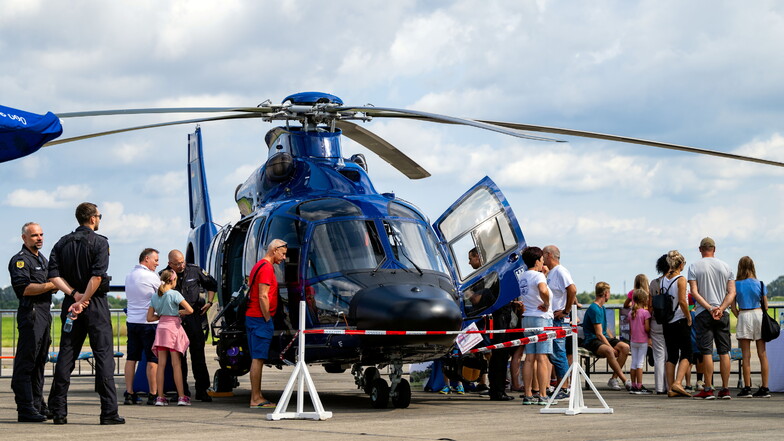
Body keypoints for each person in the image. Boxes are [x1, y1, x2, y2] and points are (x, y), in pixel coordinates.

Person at [47, 202, 124, 425]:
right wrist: (85, 299)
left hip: (71, 304)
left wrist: (74, 295)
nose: (100, 219)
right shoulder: (100, 243)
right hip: (95, 304)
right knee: (104, 356)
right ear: (92, 219)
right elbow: (97, 276)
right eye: (99, 216)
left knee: (66, 355)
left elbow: (54, 276)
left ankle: (58, 411)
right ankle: (108, 412)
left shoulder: (61, 243)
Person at [8, 222, 57, 422]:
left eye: (41, 234)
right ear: (24, 238)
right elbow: (25, 288)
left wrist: (51, 286)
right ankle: (25, 407)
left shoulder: (43, 259)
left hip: (45, 314)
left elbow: (49, 284)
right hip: (32, 313)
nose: (39, 238)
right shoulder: (20, 261)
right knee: (26, 362)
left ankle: (38, 404)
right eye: (35, 235)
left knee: (39, 362)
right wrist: (50, 285)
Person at [163, 249, 218, 401]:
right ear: (170, 264)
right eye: (177, 264)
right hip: (176, 319)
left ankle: (202, 390)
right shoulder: (164, 275)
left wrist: (209, 302)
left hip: (195, 317)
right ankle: (182, 391)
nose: (181, 266)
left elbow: (212, 284)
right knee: (179, 358)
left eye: (182, 262)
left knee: (198, 355)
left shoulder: (194, 271)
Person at [688, 237, 736, 400]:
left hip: (703, 313)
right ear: (714, 249)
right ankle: (725, 388)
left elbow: (694, 292)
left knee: (706, 351)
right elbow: (731, 293)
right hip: (723, 313)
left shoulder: (694, 266)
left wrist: (709, 308)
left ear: (700, 249)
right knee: (724, 351)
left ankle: (708, 388)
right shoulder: (726, 266)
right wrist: (721, 308)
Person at [247, 239, 287, 408]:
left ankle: (257, 396)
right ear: (274, 250)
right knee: (258, 358)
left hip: (253, 317)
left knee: (257, 358)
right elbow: (263, 295)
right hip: (259, 319)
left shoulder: (258, 265)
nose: (284, 258)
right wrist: (267, 318)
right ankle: (256, 398)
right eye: (283, 253)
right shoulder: (266, 268)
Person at [148, 269, 193, 406]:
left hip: (161, 330)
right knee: (176, 364)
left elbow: (149, 318)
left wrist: (161, 316)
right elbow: (190, 310)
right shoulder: (175, 294)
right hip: (173, 329)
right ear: (173, 280)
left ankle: (160, 397)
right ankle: (181, 396)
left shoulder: (155, 296)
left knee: (161, 365)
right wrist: (179, 312)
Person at [123, 248, 161, 406]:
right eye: (155, 260)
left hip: (132, 322)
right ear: (147, 259)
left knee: (131, 358)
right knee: (152, 360)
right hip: (149, 323)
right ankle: (153, 394)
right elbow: (162, 293)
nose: (157, 264)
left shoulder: (129, 275)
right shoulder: (152, 276)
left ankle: (129, 393)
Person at [517, 247, 554, 406]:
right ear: (537, 260)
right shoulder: (539, 276)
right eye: (541, 260)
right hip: (541, 318)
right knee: (542, 357)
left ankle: (527, 394)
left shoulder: (523, 276)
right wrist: (546, 303)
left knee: (529, 357)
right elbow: (542, 289)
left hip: (527, 318)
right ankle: (543, 394)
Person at [731, 256, 771, 398]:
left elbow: (732, 307)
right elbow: (765, 306)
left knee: (746, 355)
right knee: (762, 354)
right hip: (758, 314)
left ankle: (747, 388)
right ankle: (765, 387)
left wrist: (739, 316)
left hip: (744, 314)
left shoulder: (736, 284)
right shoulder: (760, 283)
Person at [582, 281, 630, 391]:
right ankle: (625, 380)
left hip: (602, 337)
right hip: (592, 340)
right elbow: (598, 334)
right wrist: (611, 347)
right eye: (609, 292)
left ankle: (613, 379)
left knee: (625, 347)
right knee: (609, 351)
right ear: (605, 293)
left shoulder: (602, 307)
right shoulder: (594, 309)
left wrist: (614, 340)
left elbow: (605, 328)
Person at [543, 245, 576, 400]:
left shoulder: (560, 271)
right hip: (552, 317)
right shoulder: (551, 273)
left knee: (558, 351)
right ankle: (561, 384)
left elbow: (572, 290)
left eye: (543, 254)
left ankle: (564, 386)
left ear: (549, 255)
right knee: (554, 353)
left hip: (558, 319)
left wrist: (566, 311)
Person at [660, 250, 692, 398]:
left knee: (671, 354)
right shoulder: (681, 279)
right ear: (680, 264)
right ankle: (678, 382)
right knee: (687, 352)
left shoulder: (663, 280)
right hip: (679, 319)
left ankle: (670, 388)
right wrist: (688, 317)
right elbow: (682, 301)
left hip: (667, 321)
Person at [648, 254, 669, 394]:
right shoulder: (675, 281)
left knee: (659, 355)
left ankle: (659, 387)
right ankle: (670, 384)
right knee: (671, 355)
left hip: (656, 321)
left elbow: (649, 306)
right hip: (671, 321)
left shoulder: (654, 283)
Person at [627, 289, 652, 394]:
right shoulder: (645, 313)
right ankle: (639, 385)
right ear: (644, 300)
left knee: (634, 363)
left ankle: (633, 384)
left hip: (633, 341)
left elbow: (630, 329)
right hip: (642, 341)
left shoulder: (631, 312)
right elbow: (646, 328)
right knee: (640, 363)